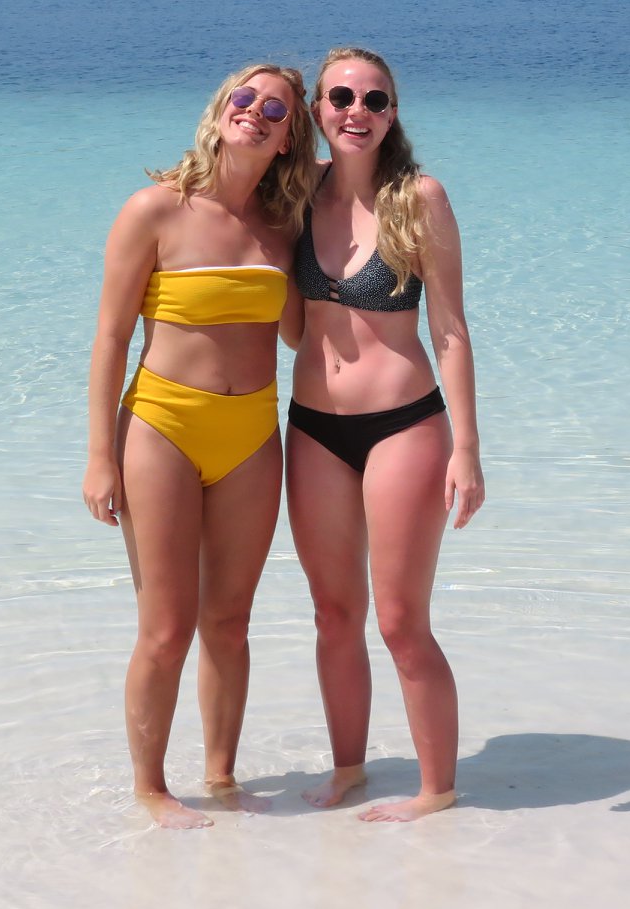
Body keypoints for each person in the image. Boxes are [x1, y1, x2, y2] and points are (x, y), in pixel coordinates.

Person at [83, 64, 317, 829]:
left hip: (253, 431)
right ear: (219, 113)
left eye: (274, 109)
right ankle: (151, 788)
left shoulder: (284, 230)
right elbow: (112, 337)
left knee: (230, 622)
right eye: (242, 99)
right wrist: (97, 456)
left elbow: (300, 334)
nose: (254, 112)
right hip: (161, 427)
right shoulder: (155, 209)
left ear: (288, 139)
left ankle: (220, 775)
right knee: (166, 625)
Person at [285, 47, 484, 822]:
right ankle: (349, 770)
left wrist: (467, 447)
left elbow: (452, 332)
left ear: (392, 113)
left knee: (401, 622)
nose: (356, 112)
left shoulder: (418, 198)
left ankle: (437, 790)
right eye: (340, 97)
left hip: (405, 427)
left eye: (375, 100)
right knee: (333, 614)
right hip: (311, 431)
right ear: (318, 111)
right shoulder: (297, 199)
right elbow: (293, 330)